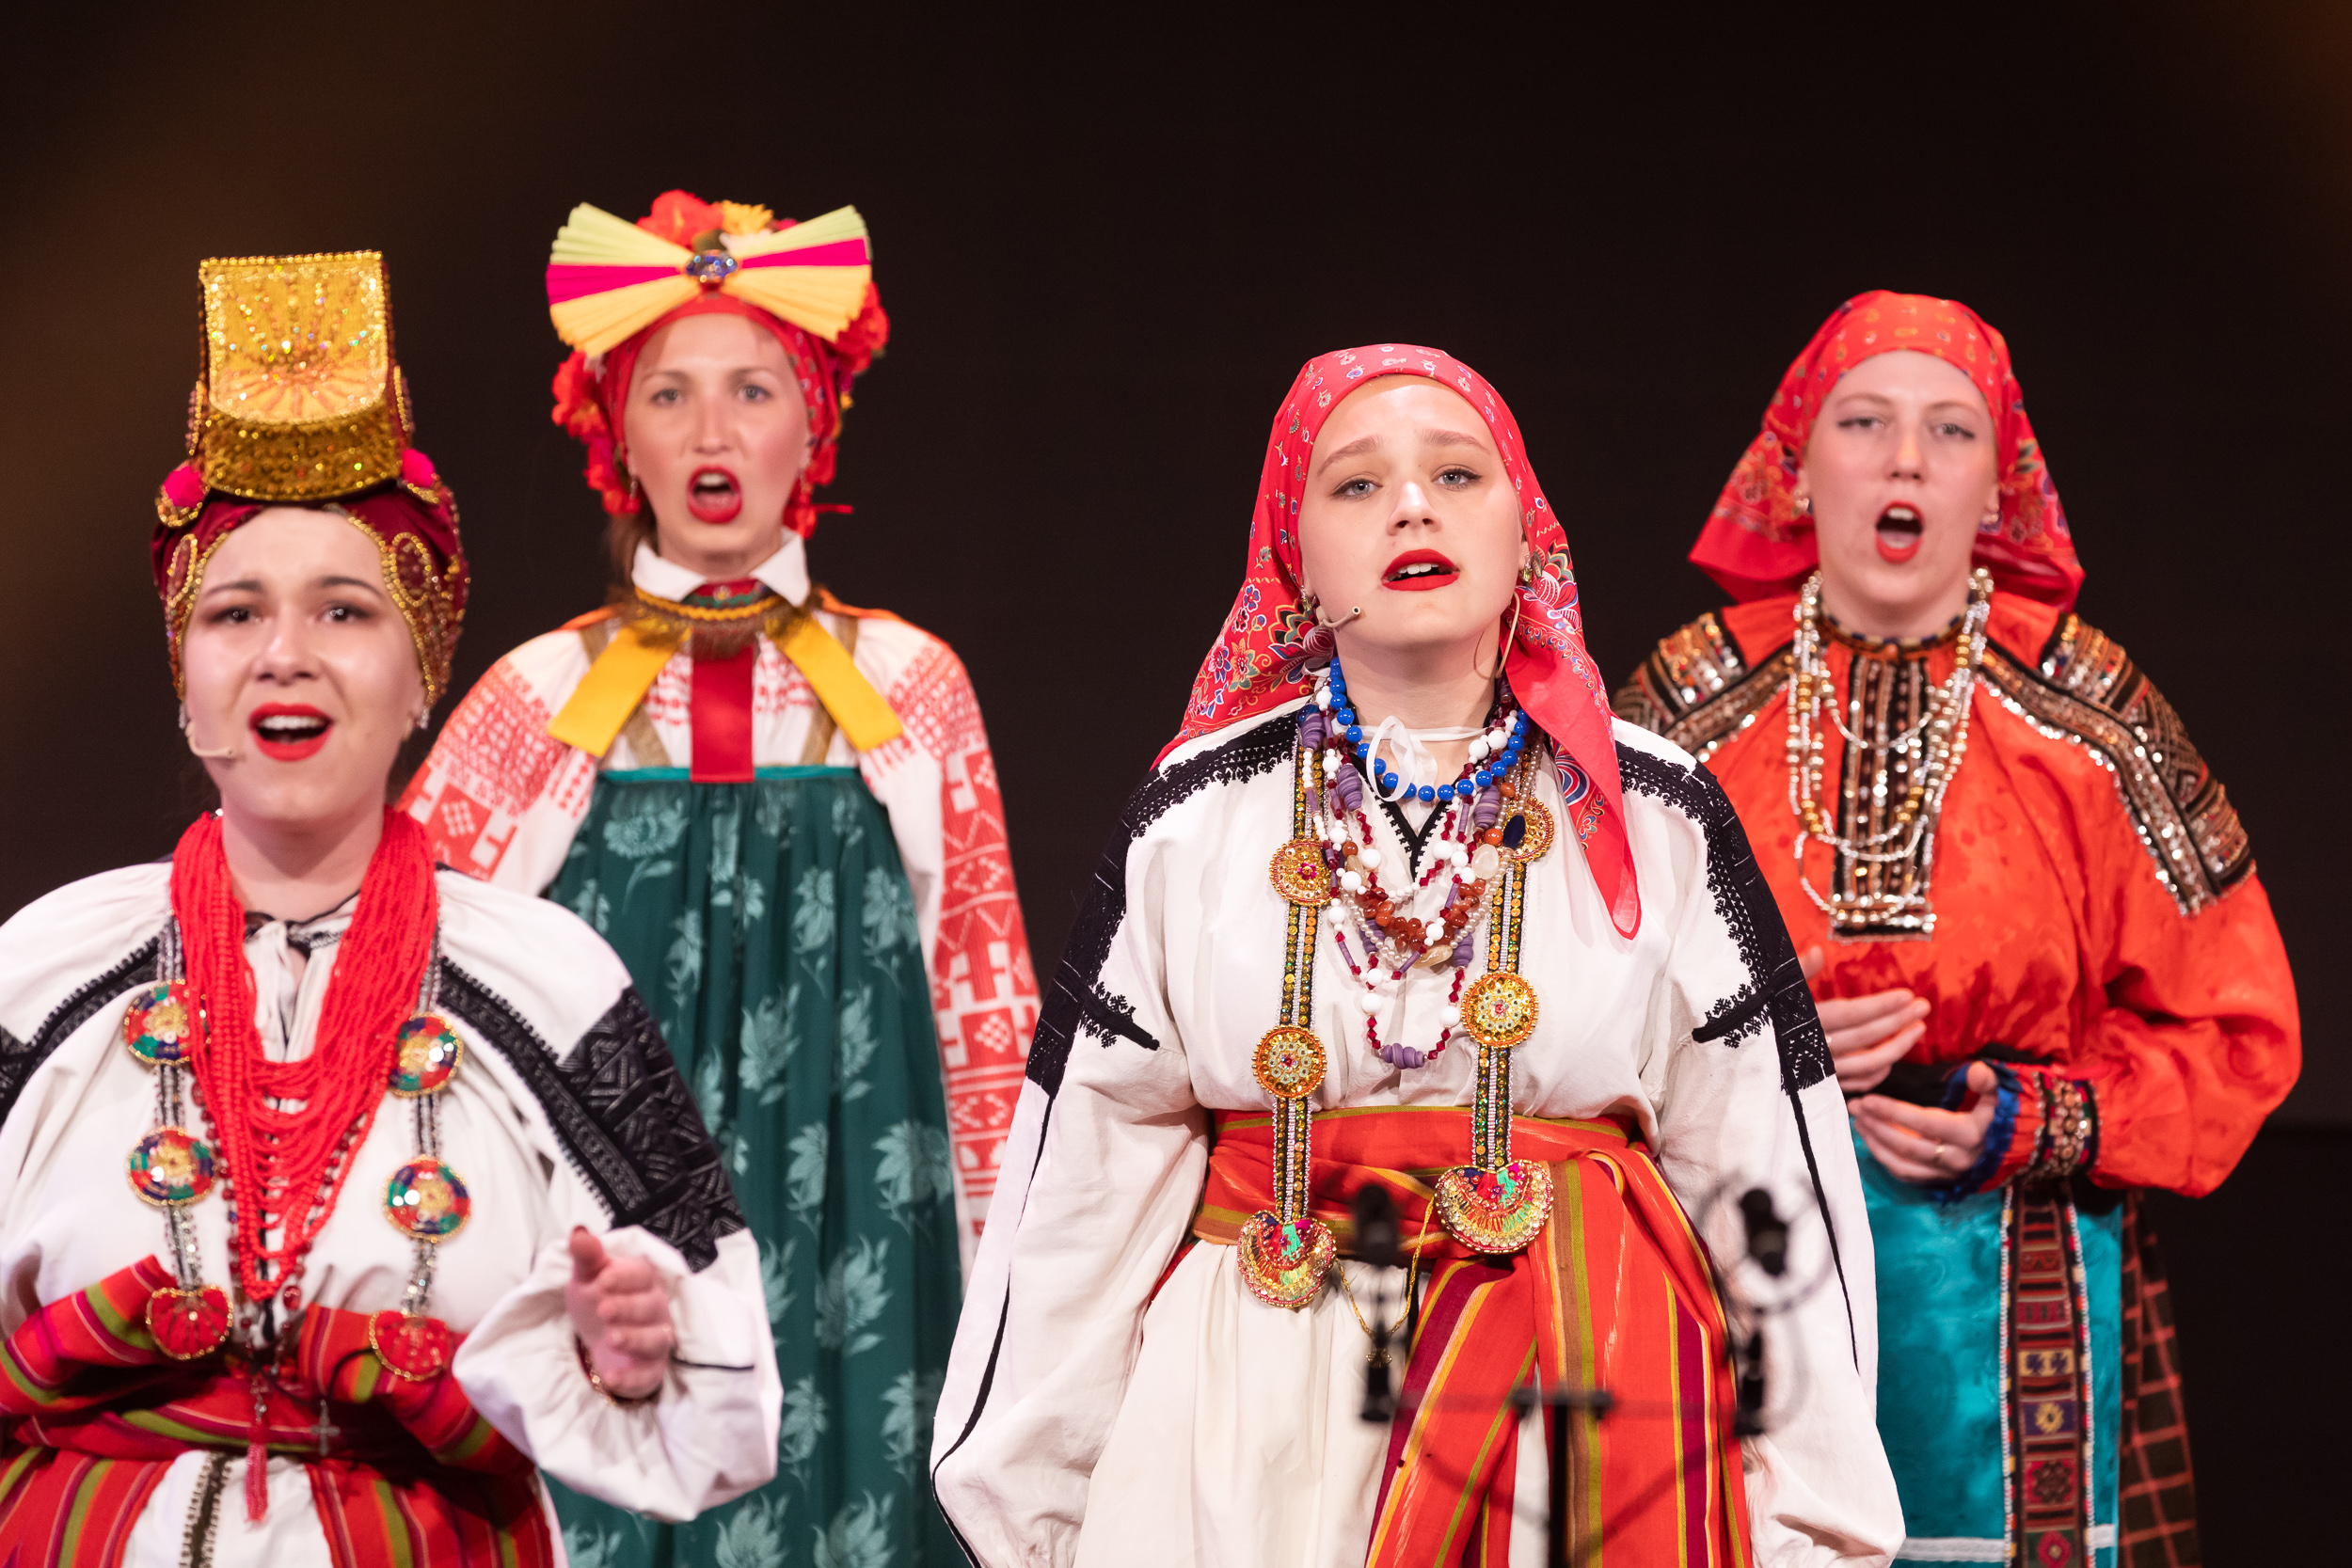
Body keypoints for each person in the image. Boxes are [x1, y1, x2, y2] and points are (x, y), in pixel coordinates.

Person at [932, 344, 1901, 1565]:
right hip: (1246, 1429)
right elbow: (1084, 1176)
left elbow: (1765, 1165)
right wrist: (1026, 1510)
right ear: (1293, 557)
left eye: (1456, 474)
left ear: (1526, 530)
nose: (1411, 508)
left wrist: (1813, 1523)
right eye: (1355, 484)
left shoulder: (1654, 810)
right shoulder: (1199, 814)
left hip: (1569, 1412)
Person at [0, 250, 775, 1567]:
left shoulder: (543, 986)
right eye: (234, 613)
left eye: (344, 611)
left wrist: (635, 1350)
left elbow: (712, 1356)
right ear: (185, 681)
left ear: (422, 677)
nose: (285, 654)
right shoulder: (47, 971)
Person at [398, 191, 1036, 1565]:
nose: (710, 429)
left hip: (858, 1203)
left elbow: (982, 996)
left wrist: (1018, 1283)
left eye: (752, 389)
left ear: (815, 424)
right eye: (669, 392)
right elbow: (406, 979)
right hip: (604, 1216)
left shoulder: (910, 686)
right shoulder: (533, 696)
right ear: (614, 434)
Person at [1613, 291, 2300, 1568]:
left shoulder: (2093, 713)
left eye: (1951, 430)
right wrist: (1758, 1033)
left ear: (1999, 488)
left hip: (2014, 1281)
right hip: (1732, 1256)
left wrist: (2041, 1120)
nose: (1906, 460)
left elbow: (2237, 1030)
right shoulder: (1679, 711)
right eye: (1863, 422)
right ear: (1795, 467)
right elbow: (1562, 1001)